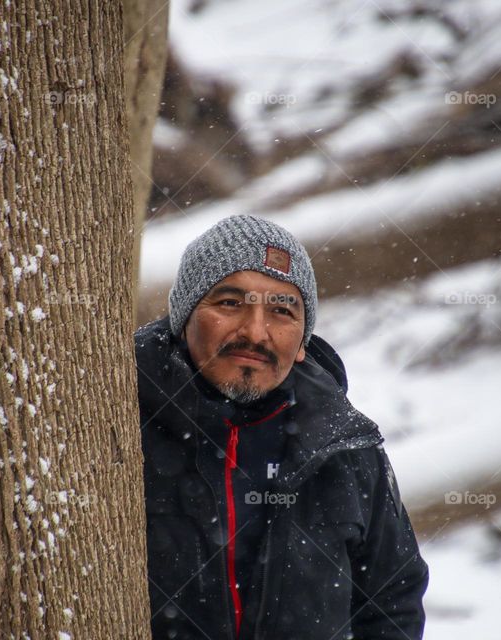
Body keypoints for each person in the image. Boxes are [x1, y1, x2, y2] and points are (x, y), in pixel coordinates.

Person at [135, 214, 428, 639]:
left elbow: (393, 598)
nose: (256, 333)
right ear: (184, 318)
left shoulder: (345, 447)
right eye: (230, 303)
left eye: (281, 311)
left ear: (304, 341)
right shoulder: (121, 423)